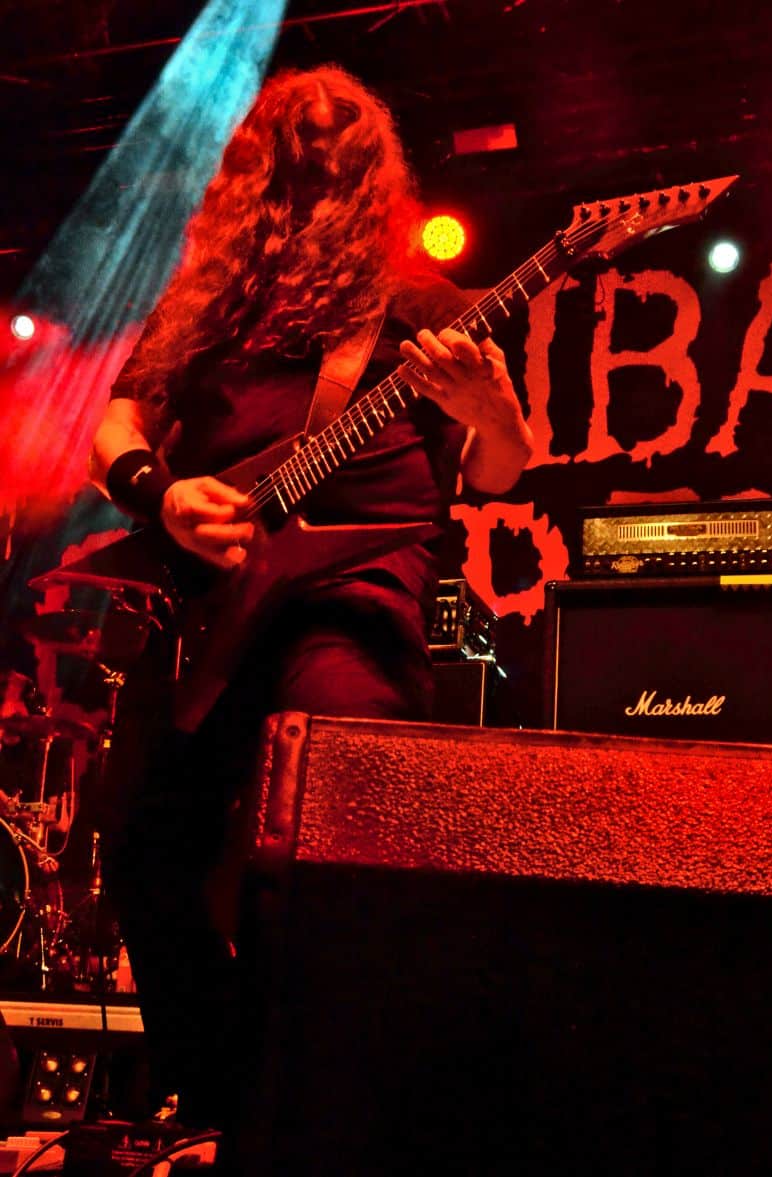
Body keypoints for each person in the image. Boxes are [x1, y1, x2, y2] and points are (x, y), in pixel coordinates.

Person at [88, 64, 533, 1169]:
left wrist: (490, 409)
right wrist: (161, 492)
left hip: (353, 594)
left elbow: (502, 468)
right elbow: (116, 422)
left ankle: (317, 1112)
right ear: (258, 175)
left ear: (370, 178)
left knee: (324, 842)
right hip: (215, 606)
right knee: (140, 846)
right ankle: (233, 1099)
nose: (317, 171)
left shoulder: (421, 307)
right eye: (297, 155)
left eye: (337, 156)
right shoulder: (204, 309)